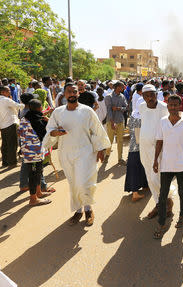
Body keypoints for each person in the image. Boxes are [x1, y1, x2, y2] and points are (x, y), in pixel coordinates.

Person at [43, 83, 111, 226]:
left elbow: (97, 131)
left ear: (78, 94)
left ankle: (88, 208)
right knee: (73, 182)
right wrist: (55, 132)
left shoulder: (87, 111)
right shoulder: (58, 112)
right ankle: (78, 210)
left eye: (75, 91)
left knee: (83, 182)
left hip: (85, 152)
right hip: (66, 153)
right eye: (69, 92)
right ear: (64, 94)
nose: (72, 94)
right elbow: (50, 130)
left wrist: (100, 149)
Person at [152, 94, 183, 238]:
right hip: (166, 164)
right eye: (170, 105)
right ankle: (161, 223)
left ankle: (182, 216)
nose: (173, 108)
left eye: (175, 105)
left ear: (180, 106)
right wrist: (155, 160)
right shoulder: (163, 121)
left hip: (182, 165)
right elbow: (159, 141)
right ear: (167, 105)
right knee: (163, 195)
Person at [138, 84, 173, 219]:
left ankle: (167, 201)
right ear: (143, 96)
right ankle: (159, 204)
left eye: (152, 94)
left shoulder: (164, 107)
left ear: (156, 94)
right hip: (145, 148)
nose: (149, 98)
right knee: (149, 177)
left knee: (157, 177)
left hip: (160, 148)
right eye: (146, 95)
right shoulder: (141, 107)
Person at [19, 99, 53, 206]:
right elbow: (46, 133)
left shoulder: (25, 117)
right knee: (33, 174)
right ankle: (33, 199)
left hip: (28, 151)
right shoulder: (37, 120)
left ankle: (39, 192)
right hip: (33, 153)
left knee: (38, 172)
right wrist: (48, 121)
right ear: (39, 108)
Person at [124, 83, 149, 202]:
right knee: (136, 168)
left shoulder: (134, 115)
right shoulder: (139, 118)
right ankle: (135, 193)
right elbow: (139, 137)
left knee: (141, 167)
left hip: (136, 147)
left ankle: (143, 185)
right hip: (137, 148)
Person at [0, 86, 24, 167]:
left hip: (3, 125)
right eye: (8, 90)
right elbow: (18, 106)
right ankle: (13, 162)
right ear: (2, 92)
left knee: (5, 144)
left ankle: (5, 161)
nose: (10, 91)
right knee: (12, 144)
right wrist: (27, 104)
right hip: (11, 123)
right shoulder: (6, 100)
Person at [104, 81, 127, 165]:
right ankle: (107, 154)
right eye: (122, 86)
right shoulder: (108, 97)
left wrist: (118, 108)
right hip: (111, 122)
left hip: (120, 121)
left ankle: (120, 159)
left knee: (120, 140)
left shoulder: (122, 96)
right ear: (117, 87)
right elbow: (109, 111)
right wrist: (112, 122)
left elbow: (125, 107)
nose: (123, 88)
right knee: (109, 140)